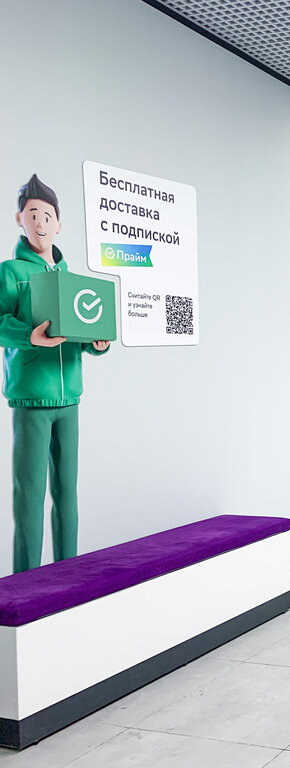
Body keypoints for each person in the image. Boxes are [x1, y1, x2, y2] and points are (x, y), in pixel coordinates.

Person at [0, 174, 110, 573]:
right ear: (20, 220)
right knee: (29, 498)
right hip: (32, 397)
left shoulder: (71, 278)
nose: (40, 223)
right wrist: (28, 336)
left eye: (47, 216)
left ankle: (69, 576)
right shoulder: (11, 272)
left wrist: (96, 343)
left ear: (59, 224)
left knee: (67, 494)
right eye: (33, 214)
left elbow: (78, 331)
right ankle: (25, 584)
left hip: (70, 400)